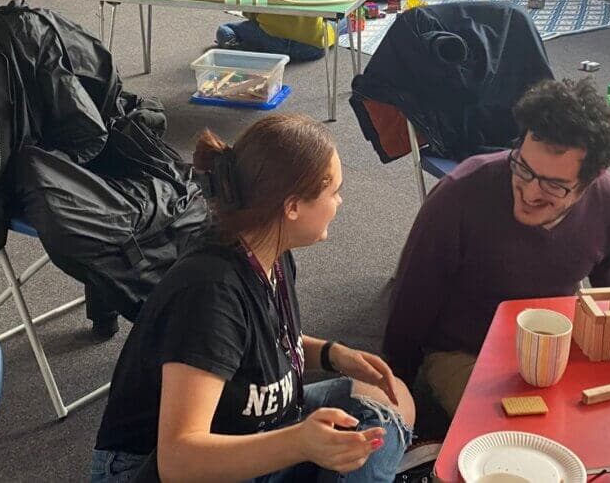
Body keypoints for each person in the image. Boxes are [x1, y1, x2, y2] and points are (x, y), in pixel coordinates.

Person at [93, 114, 415, 483]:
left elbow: (260, 346)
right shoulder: (210, 296)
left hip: (243, 424)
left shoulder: (270, 249)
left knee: (392, 401)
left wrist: (330, 354)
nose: (339, 202)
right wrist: (299, 444)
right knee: (367, 440)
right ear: (292, 206)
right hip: (148, 469)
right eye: (334, 192)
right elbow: (177, 461)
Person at [382, 78, 610, 420]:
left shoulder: (609, 200)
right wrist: (393, 391)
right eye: (524, 169)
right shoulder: (459, 195)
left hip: (554, 343)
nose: (531, 193)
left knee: (601, 420)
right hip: (465, 349)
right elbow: (411, 301)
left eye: (553, 185)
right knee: (514, 432)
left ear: (591, 182)